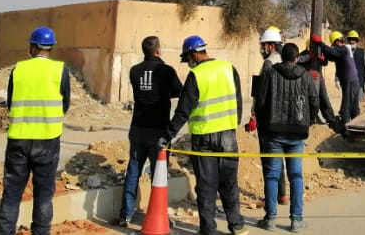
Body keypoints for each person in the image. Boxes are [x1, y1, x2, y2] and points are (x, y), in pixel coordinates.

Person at [159, 35, 246, 235]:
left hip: (203, 137)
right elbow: (238, 101)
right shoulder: (228, 68)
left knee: (206, 186)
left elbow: (183, 111)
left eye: (187, 59)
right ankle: (237, 226)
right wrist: (233, 124)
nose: (188, 63)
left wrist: (167, 135)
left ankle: (208, 229)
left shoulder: (196, 75)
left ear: (194, 54)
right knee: (229, 182)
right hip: (227, 135)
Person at [0, 26, 70, 235]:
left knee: (11, 194)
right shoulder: (60, 70)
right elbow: (65, 104)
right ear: (50, 47)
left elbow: (10, 103)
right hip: (48, 139)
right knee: (44, 194)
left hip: (18, 139)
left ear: (32, 46)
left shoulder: (18, 69)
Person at [117, 36, 183, 228]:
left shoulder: (134, 70)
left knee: (133, 172)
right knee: (158, 176)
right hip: (159, 131)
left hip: (137, 128)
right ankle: (158, 215)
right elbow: (178, 91)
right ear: (158, 50)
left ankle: (125, 215)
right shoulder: (167, 71)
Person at [253, 42, 318, 232]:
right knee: (296, 175)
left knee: (272, 175)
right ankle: (297, 220)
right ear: (297, 58)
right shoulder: (306, 76)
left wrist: (264, 124)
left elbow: (261, 102)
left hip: (274, 132)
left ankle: (270, 218)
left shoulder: (271, 73)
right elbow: (314, 102)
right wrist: (308, 121)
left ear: (282, 57)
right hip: (297, 133)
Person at [246, 26, 288, 205]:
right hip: (283, 116)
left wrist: (254, 114)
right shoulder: (287, 62)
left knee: (268, 158)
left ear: (270, 46)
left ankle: (270, 197)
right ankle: (283, 194)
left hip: (267, 117)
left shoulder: (269, 63)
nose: (262, 49)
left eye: (263, 45)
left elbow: (260, 93)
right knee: (278, 156)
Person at [311, 31, 359, 126]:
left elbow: (331, 52)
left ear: (337, 42)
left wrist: (320, 43)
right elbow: (331, 56)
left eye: (333, 45)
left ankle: (346, 130)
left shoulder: (344, 49)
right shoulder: (343, 51)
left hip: (351, 83)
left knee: (345, 109)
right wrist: (324, 58)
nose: (333, 47)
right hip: (351, 83)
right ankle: (357, 127)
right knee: (354, 108)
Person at [297, 49, 336, 125]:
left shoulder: (320, 52)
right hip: (311, 79)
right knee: (314, 100)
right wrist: (307, 71)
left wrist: (323, 60)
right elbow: (297, 63)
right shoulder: (304, 53)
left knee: (324, 98)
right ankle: (313, 120)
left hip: (319, 77)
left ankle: (331, 119)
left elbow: (325, 63)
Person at [346, 30, 365, 112]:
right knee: (348, 105)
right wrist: (337, 79)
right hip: (348, 83)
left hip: (360, 83)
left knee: (360, 105)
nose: (351, 41)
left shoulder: (362, 52)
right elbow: (340, 66)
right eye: (350, 39)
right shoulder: (345, 52)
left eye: (353, 39)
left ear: (357, 41)